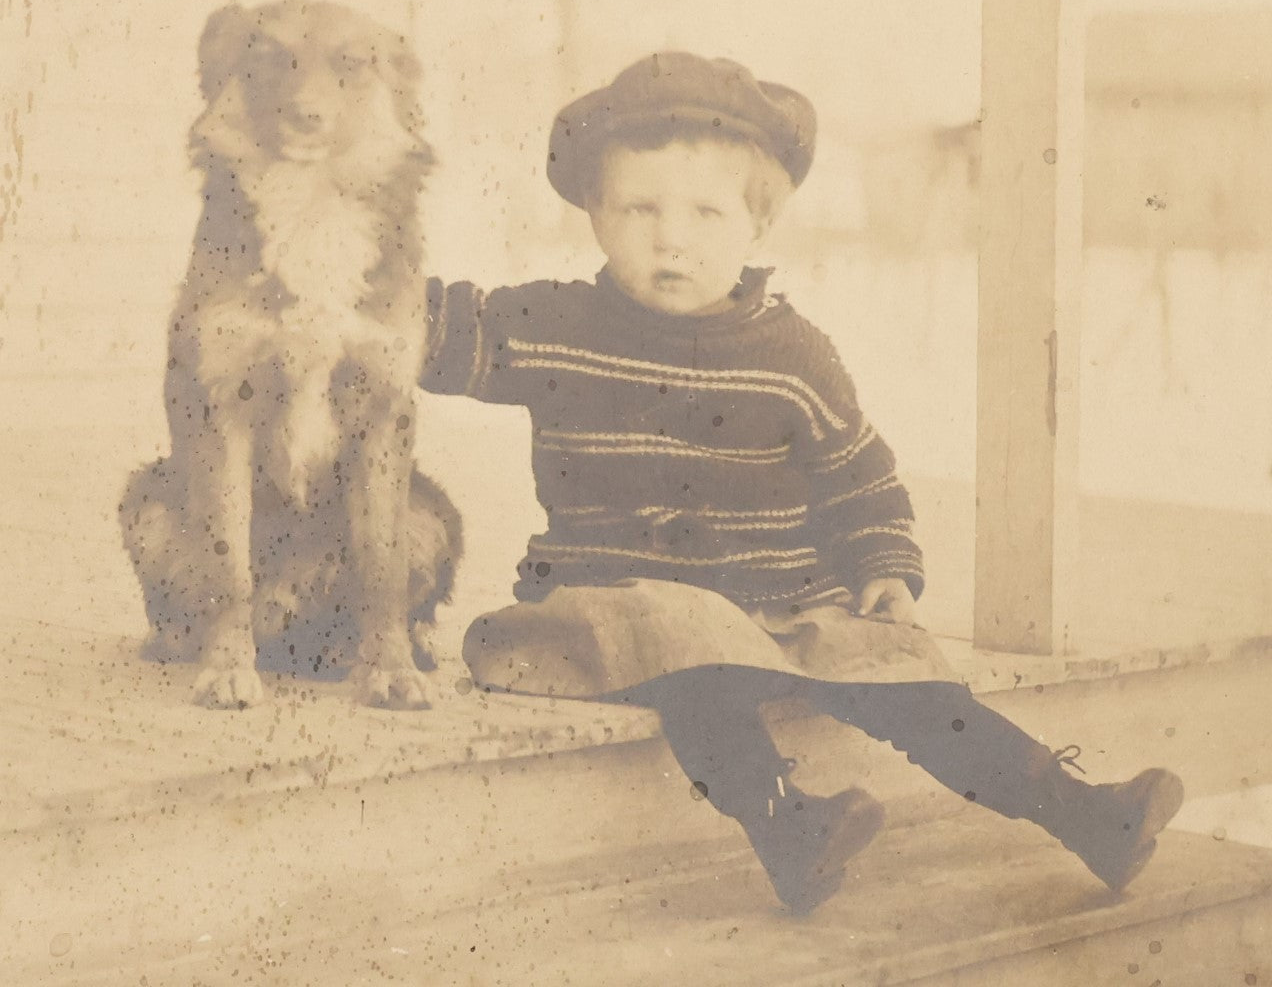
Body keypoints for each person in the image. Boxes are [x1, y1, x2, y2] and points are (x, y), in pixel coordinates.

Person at [419, 51, 1184, 915]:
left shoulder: (792, 356)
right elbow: (423, 325)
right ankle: (785, 824)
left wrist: (882, 566)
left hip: (779, 605)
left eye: (707, 212)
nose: (672, 236)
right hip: (612, 606)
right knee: (690, 648)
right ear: (594, 213)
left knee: (908, 676)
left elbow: (856, 472)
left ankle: (1086, 815)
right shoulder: (549, 326)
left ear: (759, 226)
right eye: (639, 207)